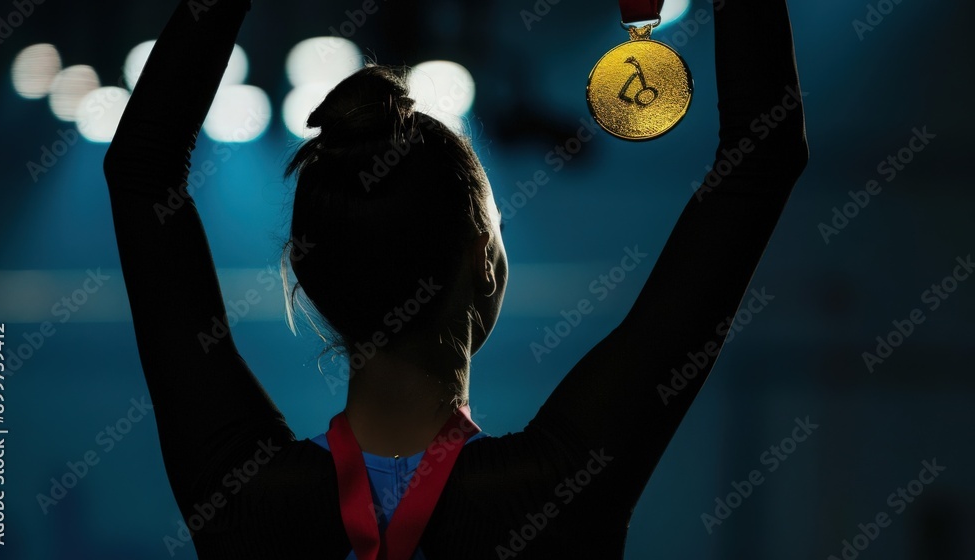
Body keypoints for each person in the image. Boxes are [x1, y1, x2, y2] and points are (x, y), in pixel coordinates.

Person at [103, 0, 808, 557]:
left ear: (307, 278)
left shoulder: (243, 498)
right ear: (483, 259)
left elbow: (140, 171)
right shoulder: (552, 494)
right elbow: (763, 157)